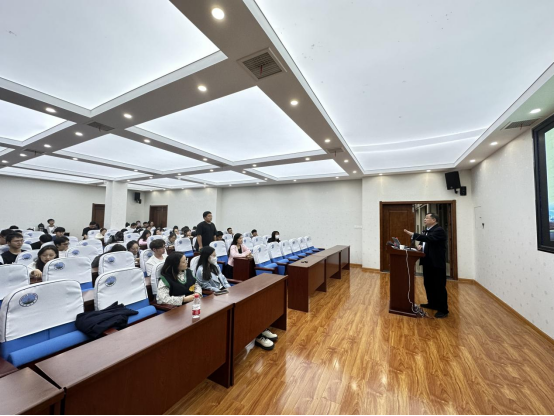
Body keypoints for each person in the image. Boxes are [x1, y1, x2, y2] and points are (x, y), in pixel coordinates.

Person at [404, 213, 449, 319]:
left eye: (427, 218)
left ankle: (443, 310)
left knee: (439, 286)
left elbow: (429, 239)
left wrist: (413, 234)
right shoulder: (427, 230)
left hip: (436, 263)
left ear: (434, 220)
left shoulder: (439, 230)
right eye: (424, 218)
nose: (424, 220)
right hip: (427, 262)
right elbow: (425, 241)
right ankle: (432, 303)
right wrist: (420, 245)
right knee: (428, 284)